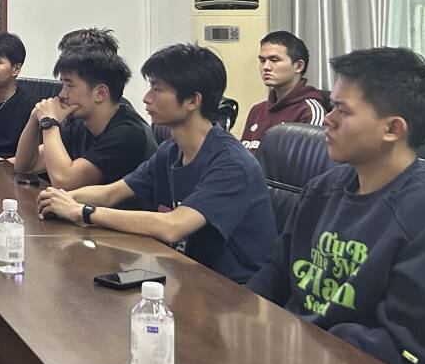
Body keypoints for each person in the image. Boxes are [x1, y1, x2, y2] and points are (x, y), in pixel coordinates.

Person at [248, 47, 425, 364]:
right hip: (296, 356)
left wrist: (304, 343)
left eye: (342, 111)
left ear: (393, 129)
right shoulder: (323, 188)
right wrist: (243, 317)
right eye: (331, 106)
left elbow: (418, 351)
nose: (328, 120)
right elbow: (276, 273)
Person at [37, 43, 275, 283]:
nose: (146, 98)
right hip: (184, 275)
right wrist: (61, 200)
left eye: (157, 89)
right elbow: (112, 193)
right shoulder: (171, 150)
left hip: (232, 291)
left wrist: (83, 212)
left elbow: (173, 226)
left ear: (192, 101)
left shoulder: (231, 163)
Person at [13, 45, 155, 191]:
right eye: (63, 85)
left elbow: (64, 182)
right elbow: (25, 166)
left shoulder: (128, 133)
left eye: (69, 85)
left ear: (100, 93)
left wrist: (49, 122)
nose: (62, 94)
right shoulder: (82, 126)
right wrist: (35, 116)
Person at [241, 30, 327, 154]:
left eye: (274, 60)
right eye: (262, 60)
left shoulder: (310, 111)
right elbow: (243, 159)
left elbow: (309, 161)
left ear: (298, 66)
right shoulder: (257, 111)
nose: (266, 67)